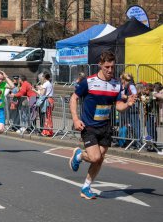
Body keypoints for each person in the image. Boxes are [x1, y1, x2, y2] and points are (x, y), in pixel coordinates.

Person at [69, 51, 136, 200]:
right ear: (100, 65)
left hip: (105, 126)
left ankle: (86, 187)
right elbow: (73, 98)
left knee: (100, 159)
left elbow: (118, 106)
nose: (110, 70)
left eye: (112, 67)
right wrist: (75, 119)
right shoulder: (88, 81)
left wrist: (128, 104)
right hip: (89, 126)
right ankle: (79, 155)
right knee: (94, 157)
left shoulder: (116, 84)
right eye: (107, 67)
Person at [36, 72, 54, 136]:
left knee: (46, 116)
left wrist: (39, 89)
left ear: (44, 77)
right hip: (50, 100)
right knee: (48, 116)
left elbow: (42, 94)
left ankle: (46, 132)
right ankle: (49, 131)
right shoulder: (50, 83)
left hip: (47, 101)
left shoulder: (45, 84)